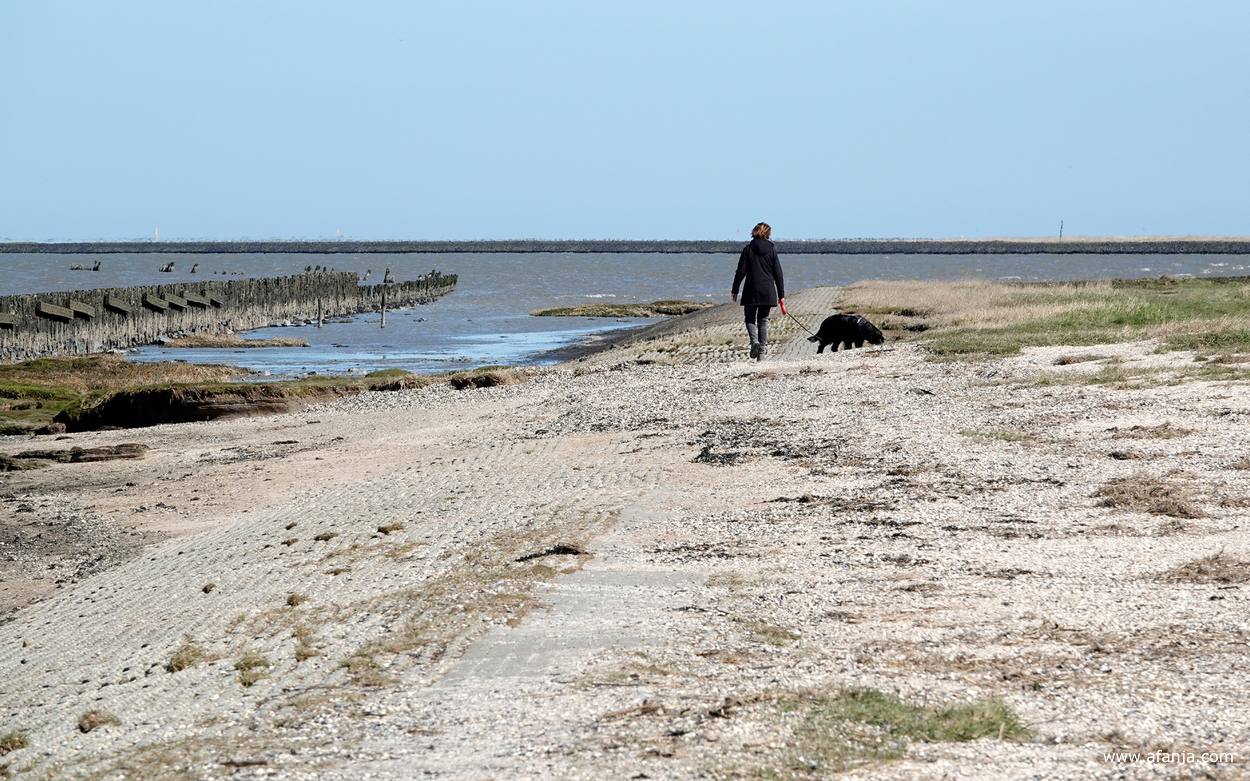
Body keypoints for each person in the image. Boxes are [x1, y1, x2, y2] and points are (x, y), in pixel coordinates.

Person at [731, 222, 786, 360]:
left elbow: (740, 271)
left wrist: (735, 289)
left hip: (751, 290)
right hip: (768, 291)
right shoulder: (772, 249)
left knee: (749, 318)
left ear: (754, 232)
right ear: (768, 233)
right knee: (763, 321)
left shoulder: (748, 249)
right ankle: (761, 354)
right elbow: (778, 273)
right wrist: (781, 295)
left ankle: (754, 341)